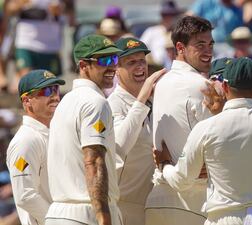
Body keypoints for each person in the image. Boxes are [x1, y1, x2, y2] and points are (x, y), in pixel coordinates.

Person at [154, 57, 252, 225]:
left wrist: (164, 164)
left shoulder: (207, 127)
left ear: (225, 87)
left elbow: (181, 180)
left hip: (224, 219)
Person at [45, 34, 123, 225]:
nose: (112, 66)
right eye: (104, 60)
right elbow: (94, 161)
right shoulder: (95, 102)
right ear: (83, 66)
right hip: (87, 214)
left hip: (59, 214)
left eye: (114, 59)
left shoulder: (65, 102)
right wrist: (104, 216)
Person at [145, 15, 214, 225]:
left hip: (159, 197)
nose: (208, 50)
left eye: (210, 44)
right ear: (180, 47)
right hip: (192, 202)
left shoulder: (163, 81)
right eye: (200, 44)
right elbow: (218, 145)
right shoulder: (201, 84)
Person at [108, 37, 166, 225]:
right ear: (116, 70)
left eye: (142, 61)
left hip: (154, 203)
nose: (140, 67)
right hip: (123, 207)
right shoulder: (112, 105)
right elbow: (120, 146)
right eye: (131, 62)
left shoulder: (154, 101)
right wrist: (141, 100)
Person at [6, 70, 64, 225]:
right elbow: (25, 195)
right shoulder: (25, 140)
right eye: (46, 91)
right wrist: (59, 221)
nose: (54, 96)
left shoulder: (53, 132)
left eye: (56, 89)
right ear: (26, 101)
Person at [141, 0, 182, 66]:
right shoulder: (151, 31)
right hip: (155, 68)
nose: (168, 18)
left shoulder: (181, 33)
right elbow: (140, 50)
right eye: (165, 15)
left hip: (176, 68)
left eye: (172, 15)